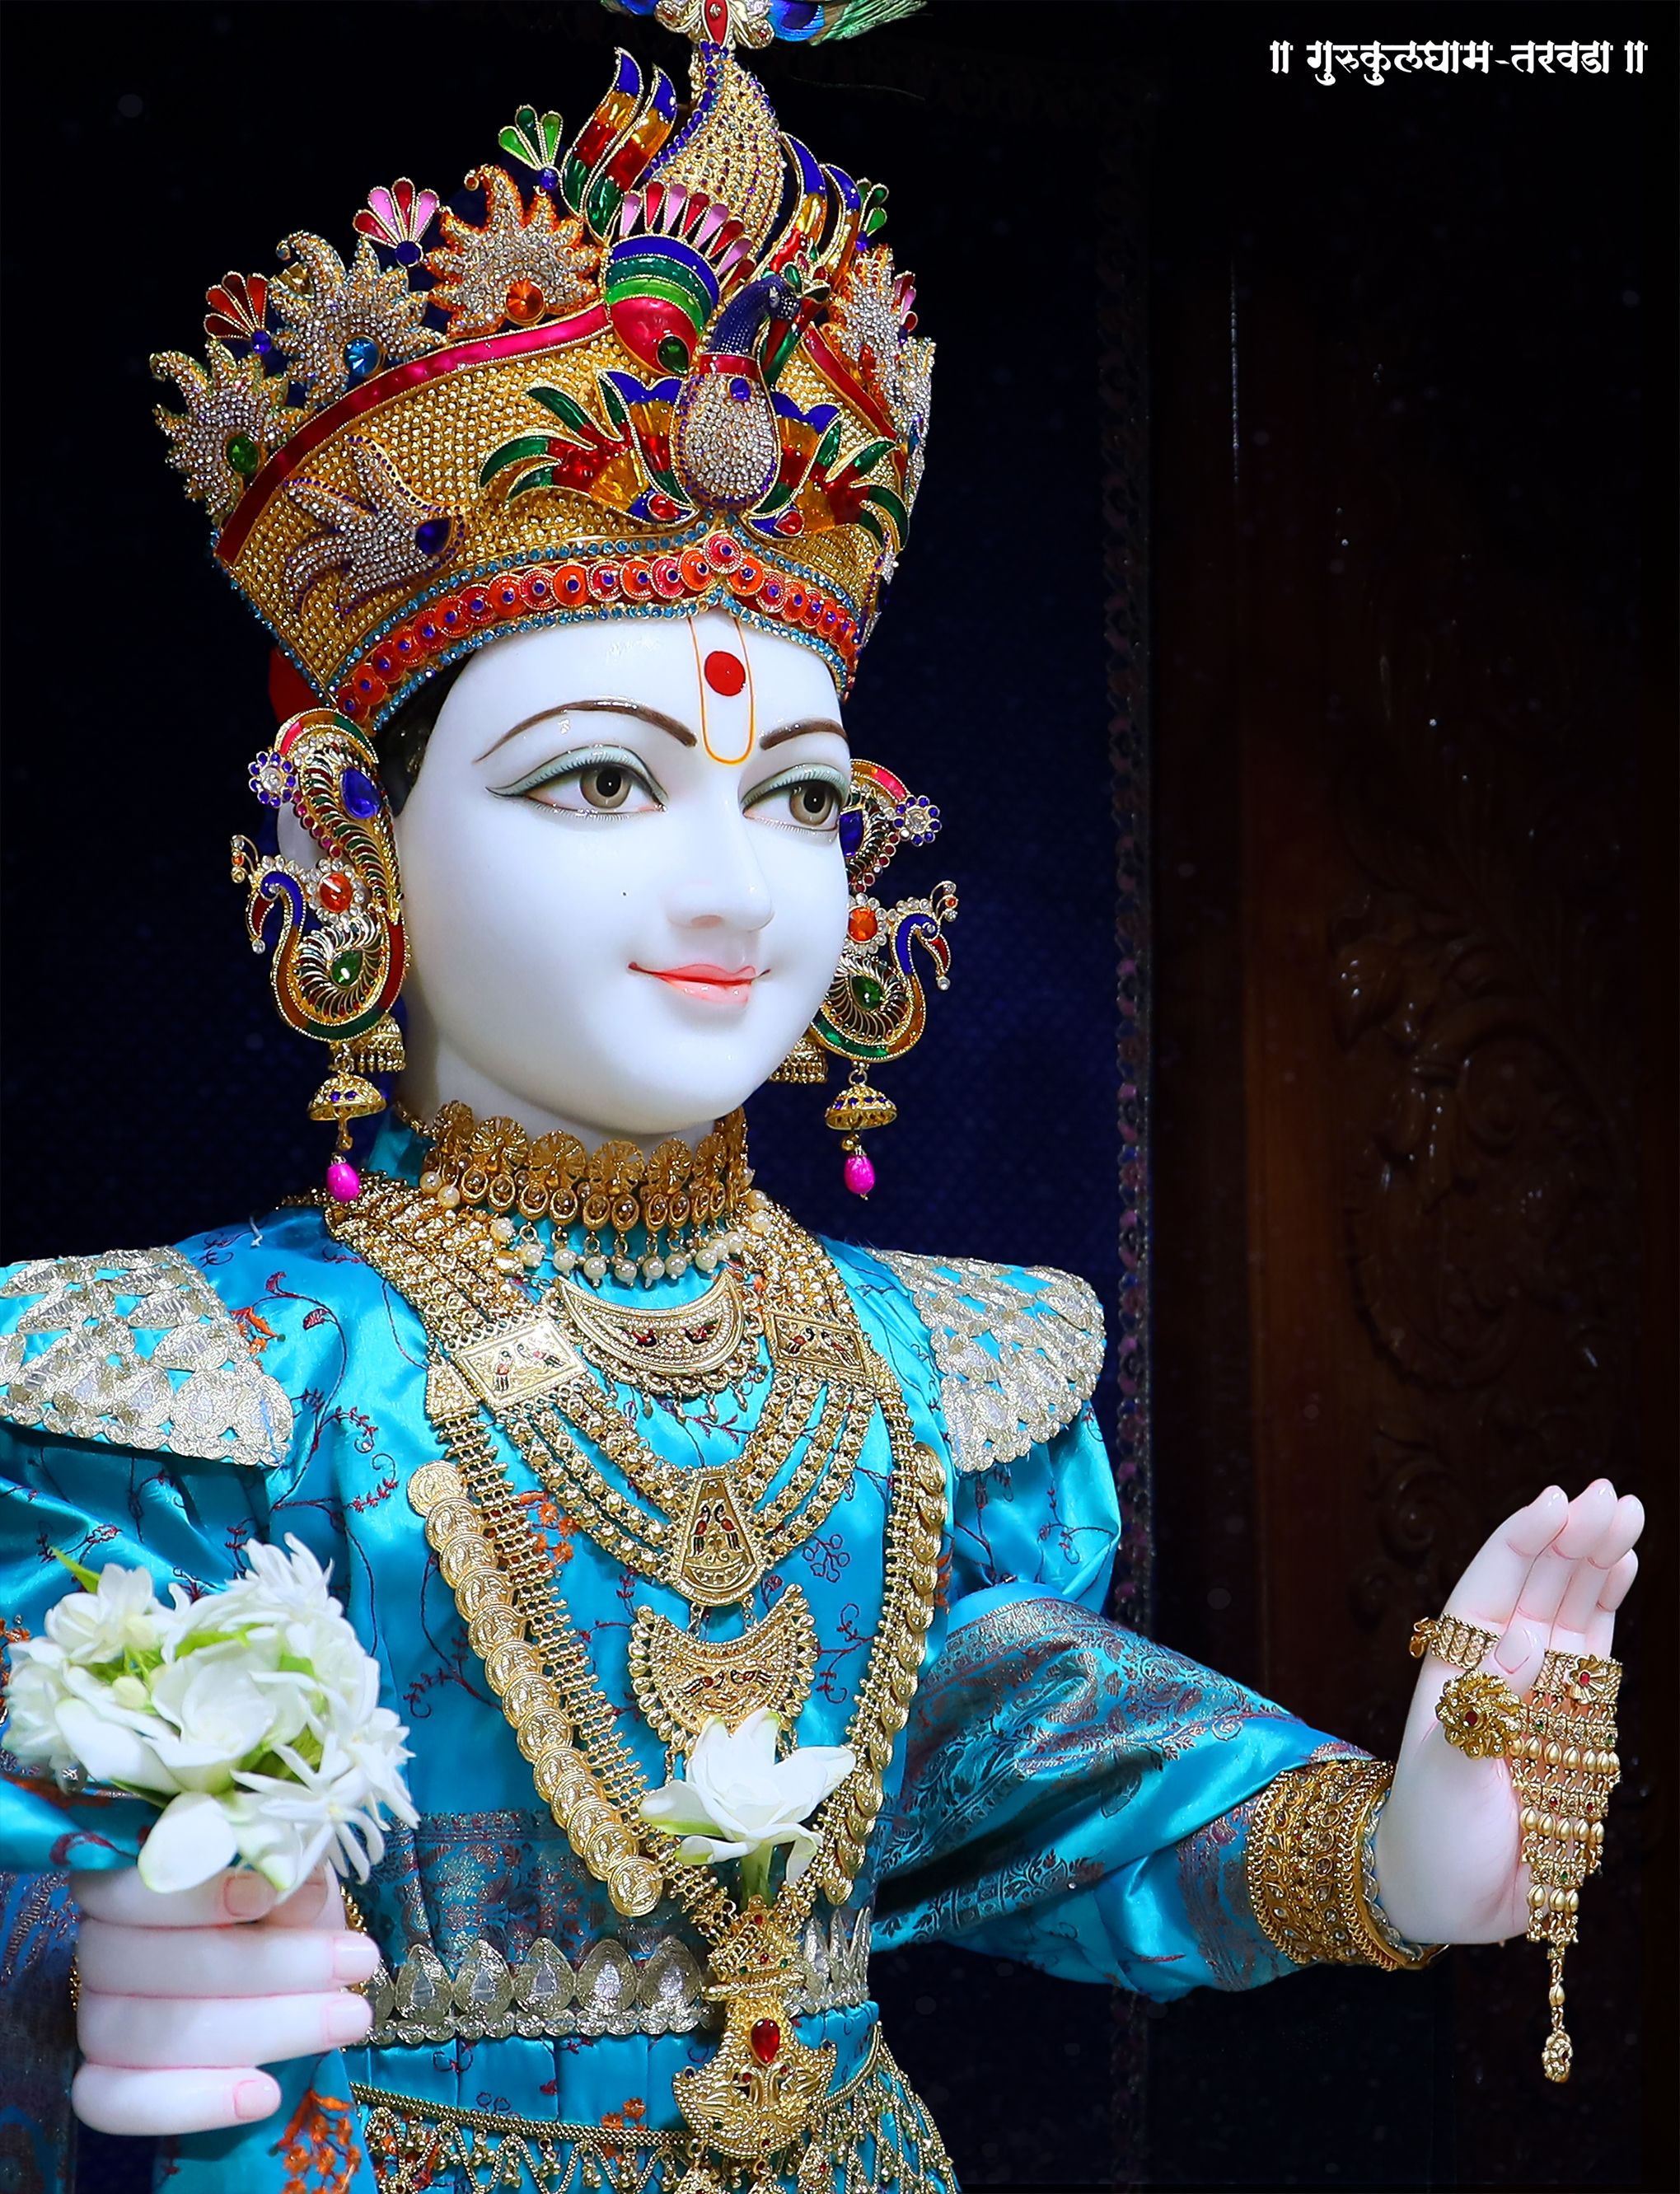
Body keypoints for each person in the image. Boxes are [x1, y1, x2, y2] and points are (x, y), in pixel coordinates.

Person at [0, 4, 1643, 2189]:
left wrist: (1402, 1842)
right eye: (600, 782)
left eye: (794, 798)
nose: (729, 885)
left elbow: (1027, 1763)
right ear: (347, 852)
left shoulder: (921, 1370)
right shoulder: (202, 1380)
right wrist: (74, 1968)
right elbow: (38, 1822)